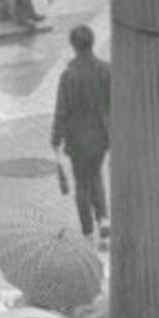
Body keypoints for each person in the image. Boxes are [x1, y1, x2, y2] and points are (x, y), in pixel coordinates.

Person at [50, 21, 113, 240]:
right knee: (96, 174)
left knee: (82, 184)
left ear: (73, 46)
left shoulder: (68, 76)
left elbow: (62, 110)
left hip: (77, 139)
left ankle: (87, 231)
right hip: (100, 136)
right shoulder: (106, 70)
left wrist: (55, 138)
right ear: (92, 43)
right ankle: (104, 218)